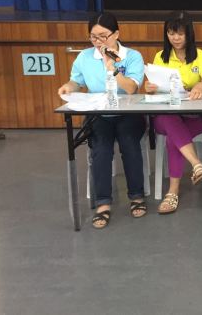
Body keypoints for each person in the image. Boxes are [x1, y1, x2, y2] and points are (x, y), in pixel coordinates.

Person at [58, 12, 147, 229]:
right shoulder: (85, 57)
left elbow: (131, 88)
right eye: (93, 37)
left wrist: (113, 69)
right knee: (101, 149)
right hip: (99, 113)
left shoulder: (132, 56)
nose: (98, 42)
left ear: (116, 34)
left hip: (128, 113)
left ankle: (136, 196)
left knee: (129, 144)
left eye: (103, 36)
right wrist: (68, 87)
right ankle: (103, 203)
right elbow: (76, 81)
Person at [145, 13, 202, 214]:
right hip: (166, 115)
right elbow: (154, 86)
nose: (175, 38)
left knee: (173, 138)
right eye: (171, 33)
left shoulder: (200, 55)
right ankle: (196, 164)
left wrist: (201, 85)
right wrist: (150, 87)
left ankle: (172, 193)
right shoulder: (160, 56)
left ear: (189, 34)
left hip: (195, 117)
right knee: (170, 120)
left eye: (180, 34)